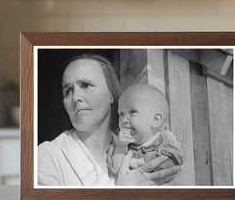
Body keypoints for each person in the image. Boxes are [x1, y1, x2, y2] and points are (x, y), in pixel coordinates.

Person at [37, 54, 180, 187]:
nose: (75, 98)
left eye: (86, 85)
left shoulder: (136, 150)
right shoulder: (47, 155)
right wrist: (123, 193)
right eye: (68, 90)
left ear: (112, 93)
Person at [110, 84, 183, 177]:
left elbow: (171, 162)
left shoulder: (165, 139)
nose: (124, 120)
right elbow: (117, 171)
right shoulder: (124, 146)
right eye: (121, 114)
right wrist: (121, 146)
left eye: (132, 112)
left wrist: (137, 162)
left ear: (155, 120)